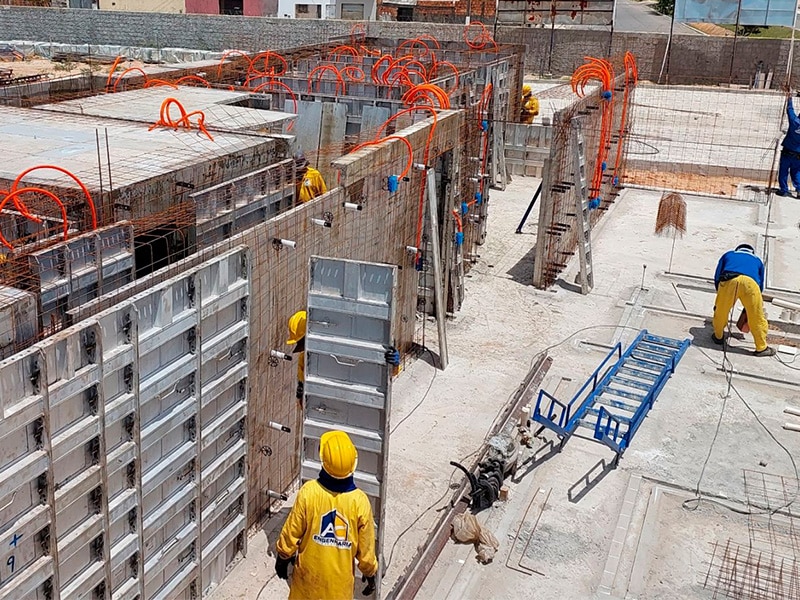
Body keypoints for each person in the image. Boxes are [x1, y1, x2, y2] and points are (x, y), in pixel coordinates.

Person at [275, 430, 378, 600]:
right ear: (354, 463)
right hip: (339, 588)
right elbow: (366, 549)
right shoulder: (360, 502)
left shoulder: (309, 492)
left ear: (323, 461)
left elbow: (291, 532)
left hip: (306, 582)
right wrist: (370, 571)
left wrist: (283, 556)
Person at [286, 310, 401, 403]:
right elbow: (304, 405)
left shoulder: (346, 345)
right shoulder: (305, 359)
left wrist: (393, 364)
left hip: (361, 399)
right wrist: (302, 395)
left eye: (304, 342)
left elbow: (386, 374)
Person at [712, 243, 775, 356]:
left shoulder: (729, 254)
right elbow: (760, 284)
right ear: (752, 252)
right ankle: (761, 347)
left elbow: (717, 275)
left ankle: (718, 336)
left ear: (738, 250)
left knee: (721, 311)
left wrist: (720, 292)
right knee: (757, 316)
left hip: (729, 279)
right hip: (751, 284)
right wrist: (753, 303)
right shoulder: (758, 260)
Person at [777, 92, 800, 197]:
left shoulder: (795, 122)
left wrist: (789, 99)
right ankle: (799, 189)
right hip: (798, 155)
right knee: (796, 173)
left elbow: (790, 110)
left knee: (783, 172)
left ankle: (784, 190)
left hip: (787, 153)